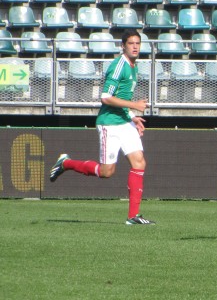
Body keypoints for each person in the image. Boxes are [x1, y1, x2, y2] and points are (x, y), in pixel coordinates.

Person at [49, 29, 153, 225]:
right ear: (123, 46)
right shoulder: (118, 66)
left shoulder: (134, 67)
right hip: (109, 124)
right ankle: (66, 163)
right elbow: (105, 97)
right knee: (107, 172)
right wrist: (134, 106)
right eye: (131, 43)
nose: (135, 46)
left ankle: (133, 217)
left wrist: (133, 117)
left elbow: (122, 97)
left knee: (139, 162)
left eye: (137, 43)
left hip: (124, 121)